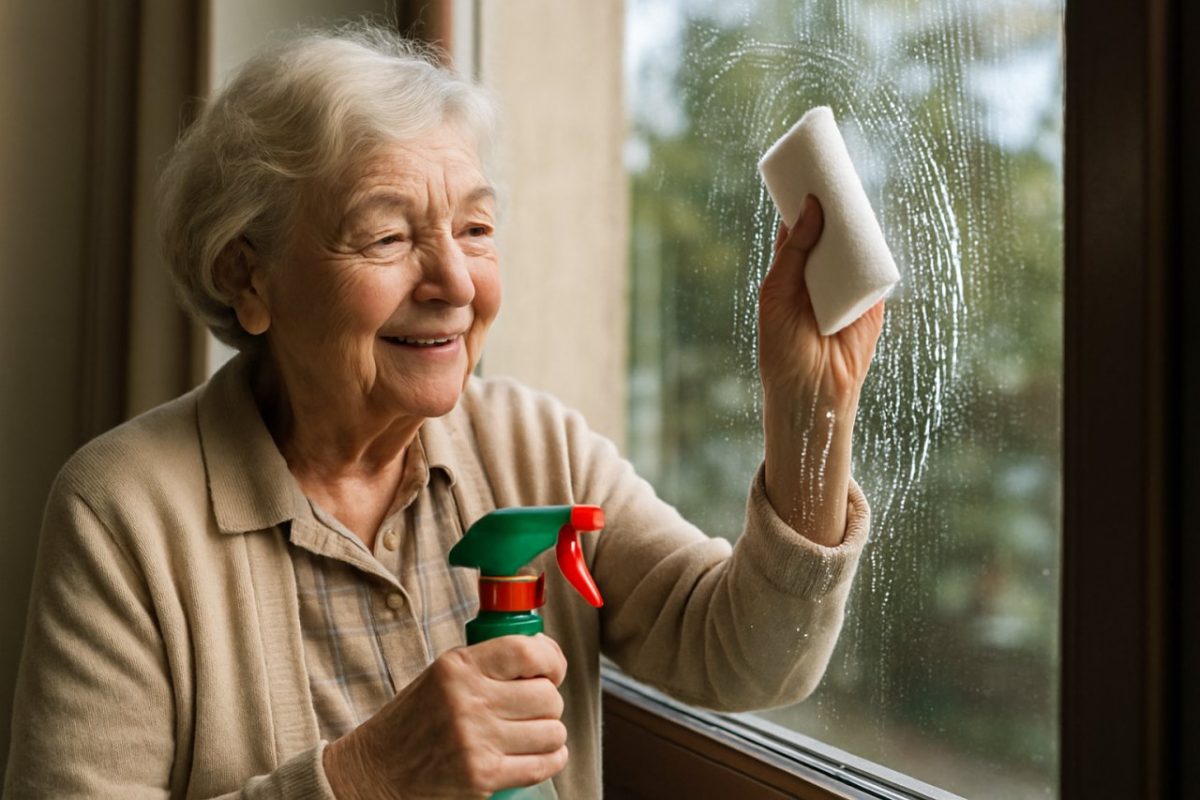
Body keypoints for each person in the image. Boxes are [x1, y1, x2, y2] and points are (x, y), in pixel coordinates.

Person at [3, 23, 883, 800]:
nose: (456, 283)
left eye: (475, 229)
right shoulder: (122, 511)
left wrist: (811, 416)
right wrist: (369, 777)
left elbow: (746, 653)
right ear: (247, 277)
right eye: (388, 236)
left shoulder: (534, 444)